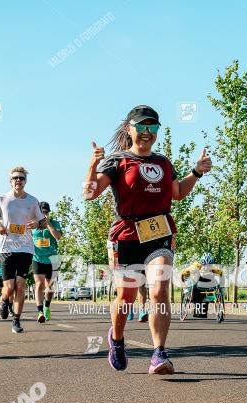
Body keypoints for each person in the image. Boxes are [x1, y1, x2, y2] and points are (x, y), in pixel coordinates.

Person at [86, 105, 212, 374]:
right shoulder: (118, 161)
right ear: (129, 129)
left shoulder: (164, 162)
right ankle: (117, 340)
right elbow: (91, 193)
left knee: (159, 291)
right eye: (141, 127)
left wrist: (197, 172)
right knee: (127, 297)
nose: (146, 132)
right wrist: (93, 164)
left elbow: (177, 192)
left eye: (152, 127)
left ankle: (159, 353)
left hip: (160, 233)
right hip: (128, 235)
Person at [0, 166, 46, 333]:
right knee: (9, 287)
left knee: (20, 286)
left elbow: (42, 222)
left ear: (25, 181)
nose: (18, 180)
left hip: (26, 248)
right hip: (6, 247)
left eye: (21, 178)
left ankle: (16, 321)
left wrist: (37, 223)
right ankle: (5, 301)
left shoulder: (33, 201)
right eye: (15, 178)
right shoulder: (1, 199)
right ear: (10, 181)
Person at [31, 201, 63, 323]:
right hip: (37, 259)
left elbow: (58, 237)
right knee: (39, 284)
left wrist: (48, 223)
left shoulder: (54, 223)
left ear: (48, 212)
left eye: (45, 212)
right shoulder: (33, 225)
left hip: (52, 259)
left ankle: (47, 307)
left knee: (49, 287)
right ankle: (39, 311)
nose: (44, 214)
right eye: (41, 212)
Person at [181, 252, 223, 318]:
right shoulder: (194, 267)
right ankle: (187, 293)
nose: (206, 267)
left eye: (209, 266)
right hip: (196, 283)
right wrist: (184, 287)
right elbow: (183, 274)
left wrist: (219, 286)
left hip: (207, 284)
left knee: (216, 281)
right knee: (190, 281)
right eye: (204, 265)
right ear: (201, 264)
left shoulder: (214, 268)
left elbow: (221, 274)